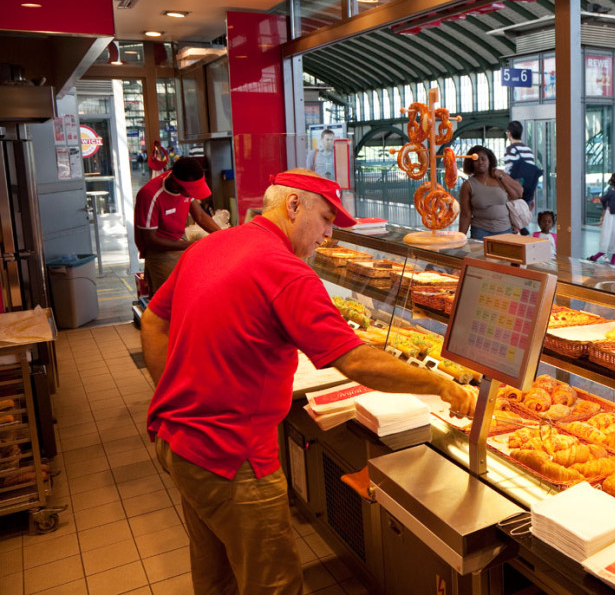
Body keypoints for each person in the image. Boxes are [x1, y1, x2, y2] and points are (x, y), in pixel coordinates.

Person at [142, 169, 476, 594]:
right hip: (234, 455)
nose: (329, 235)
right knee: (273, 584)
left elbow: (154, 320)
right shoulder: (286, 271)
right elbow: (355, 361)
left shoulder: (213, 245)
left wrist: (170, 392)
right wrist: (440, 385)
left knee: (216, 577)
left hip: (179, 441)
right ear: (293, 206)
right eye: (326, 220)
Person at [134, 157, 222, 296]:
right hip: (159, 252)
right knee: (169, 297)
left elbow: (199, 215)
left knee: (191, 290)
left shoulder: (183, 182)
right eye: (191, 190)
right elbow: (150, 241)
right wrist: (191, 245)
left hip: (180, 242)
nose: (193, 194)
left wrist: (221, 234)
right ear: (175, 184)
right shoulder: (149, 195)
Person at [458, 145, 524, 239]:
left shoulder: (500, 176)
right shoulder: (468, 185)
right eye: (476, 160)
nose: (480, 162)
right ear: (471, 163)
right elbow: (465, 215)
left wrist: (501, 177)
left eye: (483, 159)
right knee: (480, 254)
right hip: (480, 231)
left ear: (489, 161)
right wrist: (460, 238)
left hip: (505, 229)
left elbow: (518, 193)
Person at [503, 121, 539, 234]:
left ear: (509, 133)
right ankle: (521, 231)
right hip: (528, 190)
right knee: (521, 216)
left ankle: (517, 233)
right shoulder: (528, 150)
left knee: (513, 218)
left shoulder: (510, 150)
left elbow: (509, 173)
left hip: (515, 190)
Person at [589, 172, 615, 265]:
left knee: (614, 241)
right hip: (613, 220)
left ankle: (600, 259)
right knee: (612, 240)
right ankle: (603, 260)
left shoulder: (614, 193)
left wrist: (605, 207)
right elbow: (613, 210)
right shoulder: (614, 194)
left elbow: (603, 199)